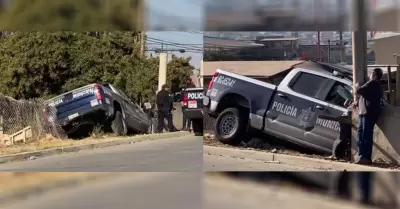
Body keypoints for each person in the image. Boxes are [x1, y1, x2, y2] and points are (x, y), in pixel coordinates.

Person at [353, 68, 383, 165]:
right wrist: (357, 102)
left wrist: (356, 86)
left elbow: (359, 90)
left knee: (365, 136)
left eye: (371, 73)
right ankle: (363, 156)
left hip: (368, 113)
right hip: (365, 113)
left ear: (374, 74)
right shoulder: (374, 85)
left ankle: (365, 157)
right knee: (361, 135)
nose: (370, 75)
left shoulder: (373, 83)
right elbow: (365, 94)